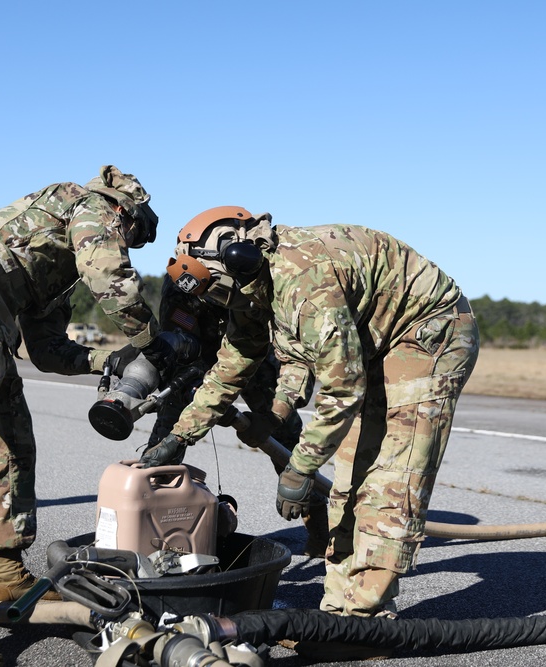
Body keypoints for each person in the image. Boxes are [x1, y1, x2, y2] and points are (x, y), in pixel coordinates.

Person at [142, 206, 479, 653]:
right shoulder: (248, 283)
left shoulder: (305, 278)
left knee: (387, 480)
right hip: (371, 342)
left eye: (221, 291)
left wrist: (299, 469)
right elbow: (236, 363)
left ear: (241, 256)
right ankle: (339, 612)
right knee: (349, 477)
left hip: (427, 334)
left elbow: (342, 387)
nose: (222, 304)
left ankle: (364, 622)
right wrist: (180, 436)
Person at [0, 166, 173, 667]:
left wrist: (103, 360)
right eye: (132, 234)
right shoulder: (87, 205)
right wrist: (153, 344)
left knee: (13, 447)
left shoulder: (60, 261)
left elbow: (44, 348)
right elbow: (110, 277)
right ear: (123, 212)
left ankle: (7, 575)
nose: (126, 243)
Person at [145, 275, 329, 557]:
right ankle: (147, 529)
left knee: (286, 437)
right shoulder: (180, 284)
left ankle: (320, 534)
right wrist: (194, 395)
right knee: (168, 438)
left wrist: (275, 413)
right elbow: (176, 340)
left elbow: (293, 351)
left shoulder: (255, 276)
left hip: (254, 353)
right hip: (196, 361)